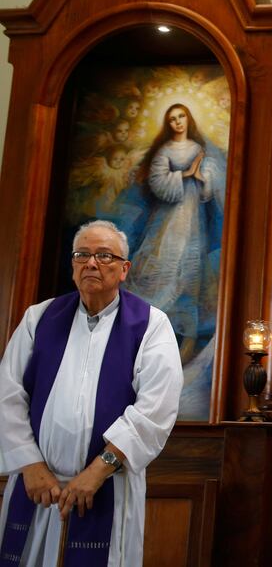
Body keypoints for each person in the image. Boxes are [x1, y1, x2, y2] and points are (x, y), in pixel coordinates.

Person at [0, 220, 183, 566]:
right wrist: (29, 464)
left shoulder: (151, 325)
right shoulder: (39, 318)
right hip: (37, 488)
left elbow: (155, 409)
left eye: (104, 255)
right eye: (82, 255)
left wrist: (98, 470)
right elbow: (7, 395)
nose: (91, 263)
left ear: (124, 268)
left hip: (104, 490)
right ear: (73, 265)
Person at [126, 103, 224, 373]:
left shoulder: (199, 150)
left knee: (189, 273)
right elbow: (158, 183)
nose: (178, 122)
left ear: (188, 119)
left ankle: (186, 341)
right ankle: (146, 339)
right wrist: (185, 175)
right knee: (159, 269)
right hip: (166, 222)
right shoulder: (165, 151)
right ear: (168, 123)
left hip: (193, 222)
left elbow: (209, 188)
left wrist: (203, 176)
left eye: (181, 117)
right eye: (172, 119)